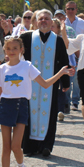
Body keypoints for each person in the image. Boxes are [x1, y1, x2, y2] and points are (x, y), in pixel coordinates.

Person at [0, 37, 74, 167]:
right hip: (5, 107)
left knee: (16, 146)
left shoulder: (27, 66)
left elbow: (44, 83)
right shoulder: (1, 69)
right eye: (9, 48)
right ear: (5, 51)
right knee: (5, 147)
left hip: (21, 106)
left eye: (15, 48)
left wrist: (61, 72)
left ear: (21, 50)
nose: (12, 51)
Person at [19, 9, 71, 157]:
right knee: (29, 112)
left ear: (51, 22)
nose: (43, 21)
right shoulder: (27, 37)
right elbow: (16, 55)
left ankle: (46, 146)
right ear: (36, 22)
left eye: (47, 19)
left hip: (51, 83)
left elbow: (64, 62)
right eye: (41, 19)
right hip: (29, 83)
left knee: (50, 113)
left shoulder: (58, 40)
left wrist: (65, 82)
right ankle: (29, 146)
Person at [52, 15, 76, 120]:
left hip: (61, 67)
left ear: (58, 29)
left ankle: (60, 111)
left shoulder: (60, 40)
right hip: (50, 68)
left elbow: (65, 54)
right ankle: (54, 109)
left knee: (62, 90)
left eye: (53, 26)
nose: (50, 28)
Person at [65, 1, 84, 112]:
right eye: (68, 9)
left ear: (76, 10)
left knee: (77, 81)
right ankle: (67, 102)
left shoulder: (82, 23)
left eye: (72, 9)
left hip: (79, 55)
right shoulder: (62, 22)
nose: (70, 11)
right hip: (66, 56)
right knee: (68, 80)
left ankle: (75, 102)